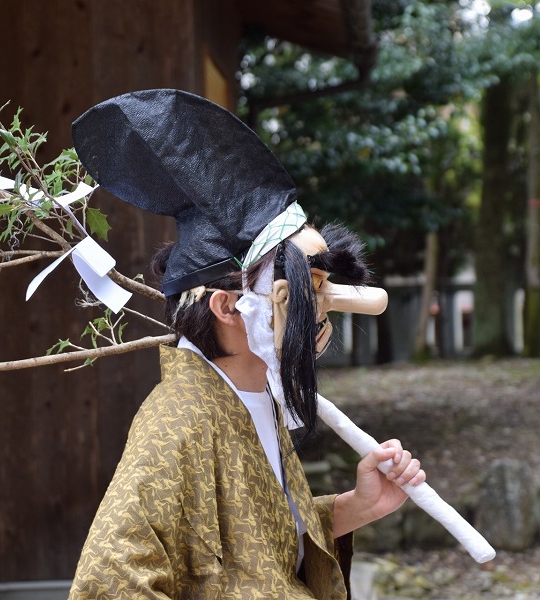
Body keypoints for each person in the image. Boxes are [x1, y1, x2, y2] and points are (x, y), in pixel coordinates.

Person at [67, 89, 425, 599]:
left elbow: (257, 554)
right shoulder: (180, 419)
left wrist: (359, 506)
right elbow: (107, 583)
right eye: (303, 292)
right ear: (228, 308)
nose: (317, 313)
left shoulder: (255, 395)